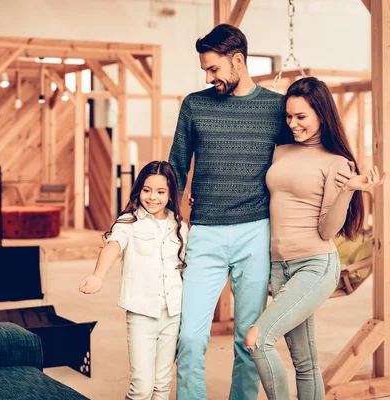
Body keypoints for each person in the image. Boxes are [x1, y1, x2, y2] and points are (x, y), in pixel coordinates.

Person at [244, 76, 386, 399]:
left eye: (301, 117)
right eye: (289, 116)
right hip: (279, 266)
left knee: (258, 338)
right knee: (305, 362)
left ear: (321, 114)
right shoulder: (281, 151)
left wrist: (348, 191)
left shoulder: (336, 164)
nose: (293, 124)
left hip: (314, 264)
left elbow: (326, 231)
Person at [168, 24, 289, 400]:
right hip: (205, 231)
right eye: (206, 70)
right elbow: (175, 168)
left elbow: (295, 164)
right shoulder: (194, 105)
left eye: (213, 69)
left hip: (256, 231)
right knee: (189, 336)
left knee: (247, 339)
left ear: (238, 60)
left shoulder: (275, 107)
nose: (209, 77)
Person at [79, 161, 188, 400]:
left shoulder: (179, 227)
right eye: (147, 190)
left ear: (170, 194)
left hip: (173, 313)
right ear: (138, 189)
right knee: (141, 387)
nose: (152, 197)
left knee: (162, 385)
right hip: (141, 313)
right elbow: (113, 246)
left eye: (161, 192)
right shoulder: (128, 222)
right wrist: (98, 275)